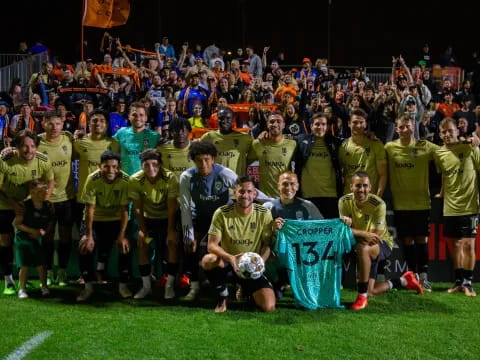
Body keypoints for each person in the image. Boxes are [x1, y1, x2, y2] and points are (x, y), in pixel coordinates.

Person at [338, 172, 424, 311]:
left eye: (365, 186)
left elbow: (374, 237)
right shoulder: (343, 201)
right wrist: (360, 233)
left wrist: (354, 232)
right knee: (372, 291)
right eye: (358, 186)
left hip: (382, 244)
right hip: (363, 244)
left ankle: (361, 297)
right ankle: (403, 280)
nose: (362, 189)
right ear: (351, 186)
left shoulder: (378, 204)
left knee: (363, 248)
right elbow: (342, 230)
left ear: (370, 187)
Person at [201, 176, 275, 313]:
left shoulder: (264, 213)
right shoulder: (222, 213)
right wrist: (231, 258)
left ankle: (244, 288)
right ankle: (223, 295)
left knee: (268, 307)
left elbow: (267, 245)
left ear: (254, 194)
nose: (245, 195)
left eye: (249, 191)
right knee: (208, 260)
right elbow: (211, 245)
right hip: (229, 263)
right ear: (234, 193)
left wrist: (260, 263)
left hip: (251, 266)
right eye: (241, 191)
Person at [179, 140, 240, 301]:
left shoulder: (225, 173)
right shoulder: (187, 177)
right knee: (190, 247)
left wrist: (271, 202)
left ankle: (238, 285)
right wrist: (188, 235)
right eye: (198, 160)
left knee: (235, 246)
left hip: (224, 220)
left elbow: (246, 191)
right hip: (201, 217)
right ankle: (194, 287)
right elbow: (185, 208)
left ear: (213, 159)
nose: (203, 164)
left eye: (207, 159)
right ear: (193, 160)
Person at [384, 116, 439, 291]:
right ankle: (411, 276)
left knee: (421, 239)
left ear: (413, 128)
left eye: (408, 126)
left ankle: (423, 277)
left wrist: (471, 141)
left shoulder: (425, 146)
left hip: (422, 203)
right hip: (401, 204)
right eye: (402, 127)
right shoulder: (390, 147)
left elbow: (445, 151)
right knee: (407, 240)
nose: (405, 129)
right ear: (397, 129)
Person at [0, 129, 54, 295]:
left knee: (37, 238)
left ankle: (45, 276)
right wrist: (13, 203)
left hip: (28, 205)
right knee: (5, 240)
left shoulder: (43, 160)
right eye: (24, 146)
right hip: (4, 204)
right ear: (16, 147)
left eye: (32, 146)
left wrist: (44, 200)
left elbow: (50, 181)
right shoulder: (6, 160)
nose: (29, 150)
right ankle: (8, 280)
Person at [433, 117, 480, 296]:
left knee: (468, 245)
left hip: (470, 206)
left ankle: (468, 283)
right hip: (450, 207)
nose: (446, 134)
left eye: (450, 131)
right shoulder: (440, 154)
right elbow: (445, 174)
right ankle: (458, 281)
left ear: (457, 131)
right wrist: (443, 193)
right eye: (443, 132)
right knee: (456, 246)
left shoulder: (470, 147)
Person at [77, 151, 131, 301]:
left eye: (114, 167)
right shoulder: (92, 179)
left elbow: (124, 210)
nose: (110, 170)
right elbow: (90, 209)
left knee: (125, 246)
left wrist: (122, 236)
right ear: (99, 166)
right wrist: (88, 235)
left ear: (119, 167)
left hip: (116, 220)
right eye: (106, 167)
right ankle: (87, 287)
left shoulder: (126, 180)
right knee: (84, 246)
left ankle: (123, 285)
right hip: (95, 220)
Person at [129, 149, 179, 300]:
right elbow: (138, 208)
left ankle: (169, 287)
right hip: (149, 221)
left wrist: (171, 230)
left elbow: (171, 208)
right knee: (143, 244)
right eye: (146, 165)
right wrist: (143, 231)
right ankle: (146, 287)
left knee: (171, 244)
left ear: (161, 164)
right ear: (141, 165)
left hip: (167, 219)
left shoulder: (170, 177)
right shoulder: (135, 180)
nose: (151, 168)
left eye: (154, 164)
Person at [38, 112, 75, 286]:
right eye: (50, 124)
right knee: (47, 237)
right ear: (43, 124)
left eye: (58, 124)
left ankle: (62, 271)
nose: (54, 128)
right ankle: (46, 273)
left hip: (67, 198)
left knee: (66, 237)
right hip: (46, 199)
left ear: (63, 124)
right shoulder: (37, 142)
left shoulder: (68, 139)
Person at [294, 113, 343, 219]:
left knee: (329, 230)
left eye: (323, 124)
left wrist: (368, 134)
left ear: (327, 127)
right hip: (308, 195)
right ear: (311, 126)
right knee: (310, 231)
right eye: (317, 124)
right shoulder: (300, 141)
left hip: (331, 195)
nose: (320, 127)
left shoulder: (336, 142)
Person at [14, 180, 55, 299]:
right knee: (25, 265)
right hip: (23, 239)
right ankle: (22, 289)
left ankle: (44, 287)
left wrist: (43, 232)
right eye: (39, 191)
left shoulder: (48, 206)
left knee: (41, 264)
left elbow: (51, 222)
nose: (42, 193)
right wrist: (34, 232)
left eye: (44, 190)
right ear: (32, 192)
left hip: (37, 239)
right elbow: (18, 224)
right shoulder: (24, 206)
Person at [339, 109, 387, 196]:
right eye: (355, 122)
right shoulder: (343, 147)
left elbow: (383, 175)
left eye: (361, 122)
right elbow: (341, 173)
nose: (358, 125)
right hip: (349, 198)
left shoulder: (376, 144)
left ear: (365, 124)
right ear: (349, 123)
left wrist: (377, 197)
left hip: (369, 198)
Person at [248, 112, 296, 198]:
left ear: (284, 125)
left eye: (278, 121)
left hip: (285, 197)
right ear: (267, 124)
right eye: (272, 121)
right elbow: (245, 163)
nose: (275, 124)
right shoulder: (257, 144)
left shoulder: (292, 144)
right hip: (264, 198)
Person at [113, 102, 161, 176]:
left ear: (146, 118)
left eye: (141, 115)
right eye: (134, 115)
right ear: (129, 116)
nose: (138, 118)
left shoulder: (155, 136)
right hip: (124, 180)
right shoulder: (121, 133)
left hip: (145, 181)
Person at [201, 106, 252, 175]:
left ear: (233, 119)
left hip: (236, 183)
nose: (224, 121)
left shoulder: (245, 138)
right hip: (215, 183)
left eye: (228, 118)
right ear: (217, 119)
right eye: (221, 118)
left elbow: (255, 154)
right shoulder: (208, 137)